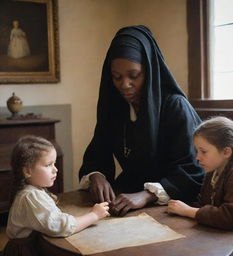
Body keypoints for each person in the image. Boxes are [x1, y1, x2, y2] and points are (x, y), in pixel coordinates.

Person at [79, 25, 204, 217]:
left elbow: (193, 170)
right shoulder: (115, 108)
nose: (124, 85)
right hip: (127, 197)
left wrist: (147, 195)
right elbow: (98, 152)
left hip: (175, 202)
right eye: (116, 77)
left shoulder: (175, 107)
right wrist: (96, 175)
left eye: (134, 75)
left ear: (149, 71)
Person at [4, 135, 109, 256]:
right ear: (27, 171)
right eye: (48, 165)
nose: (56, 170)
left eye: (54, 163)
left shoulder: (34, 190)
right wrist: (93, 215)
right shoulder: (30, 196)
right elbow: (59, 226)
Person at [167, 116, 233, 256]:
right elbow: (205, 203)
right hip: (218, 239)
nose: (197, 157)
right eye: (197, 151)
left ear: (226, 152)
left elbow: (231, 216)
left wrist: (189, 211)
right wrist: (182, 208)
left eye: (203, 151)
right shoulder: (212, 173)